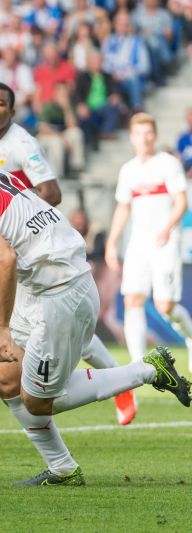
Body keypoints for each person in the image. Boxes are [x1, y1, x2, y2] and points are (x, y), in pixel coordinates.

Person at [0, 125, 190, 486]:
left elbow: (2, 257)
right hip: (45, 278)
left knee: (38, 401)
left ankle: (148, 370)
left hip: (61, 289)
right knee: (4, 380)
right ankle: (62, 468)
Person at [0, 82, 136, 436]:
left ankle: (120, 380)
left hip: (23, 252)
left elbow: (51, 192)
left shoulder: (22, 144)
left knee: (62, 336)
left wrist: (4, 221)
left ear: (12, 111)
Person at [106, 112, 192, 377]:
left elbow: (181, 201)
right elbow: (123, 208)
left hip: (165, 241)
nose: (144, 138)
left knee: (164, 306)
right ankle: (137, 367)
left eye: (148, 133)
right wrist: (111, 242)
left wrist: (167, 227)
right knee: (133, 298)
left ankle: (190, 336)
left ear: (154, 135)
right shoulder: (129, 170)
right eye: (139, 133)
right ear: (132, 137)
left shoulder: (168, 164)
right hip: (138, 243)